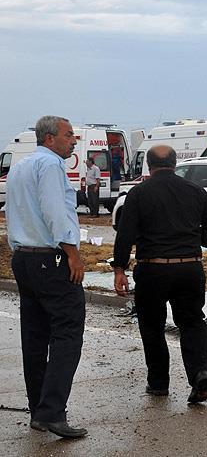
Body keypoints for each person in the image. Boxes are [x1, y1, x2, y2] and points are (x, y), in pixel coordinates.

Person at [113, 145, 207, 404]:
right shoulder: (195, 190)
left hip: (153, 269)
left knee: (152, 326)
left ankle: (159, 383)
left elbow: (125, 236)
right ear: (175, 164)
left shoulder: (138, 193)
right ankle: (199, 373)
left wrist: (120, 270)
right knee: (193, 323)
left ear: (149, 166)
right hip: (189, 266)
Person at [6, 115, 87, 438]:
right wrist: (73, 254)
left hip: (23, 258)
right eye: (69, 136)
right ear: (50, 139)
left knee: (35, 337)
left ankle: (39, 409)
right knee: (67, 334)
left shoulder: (20, 166)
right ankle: (53, 411)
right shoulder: (51, 166)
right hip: (50, 259)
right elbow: (55, 212)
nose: (74, 141)